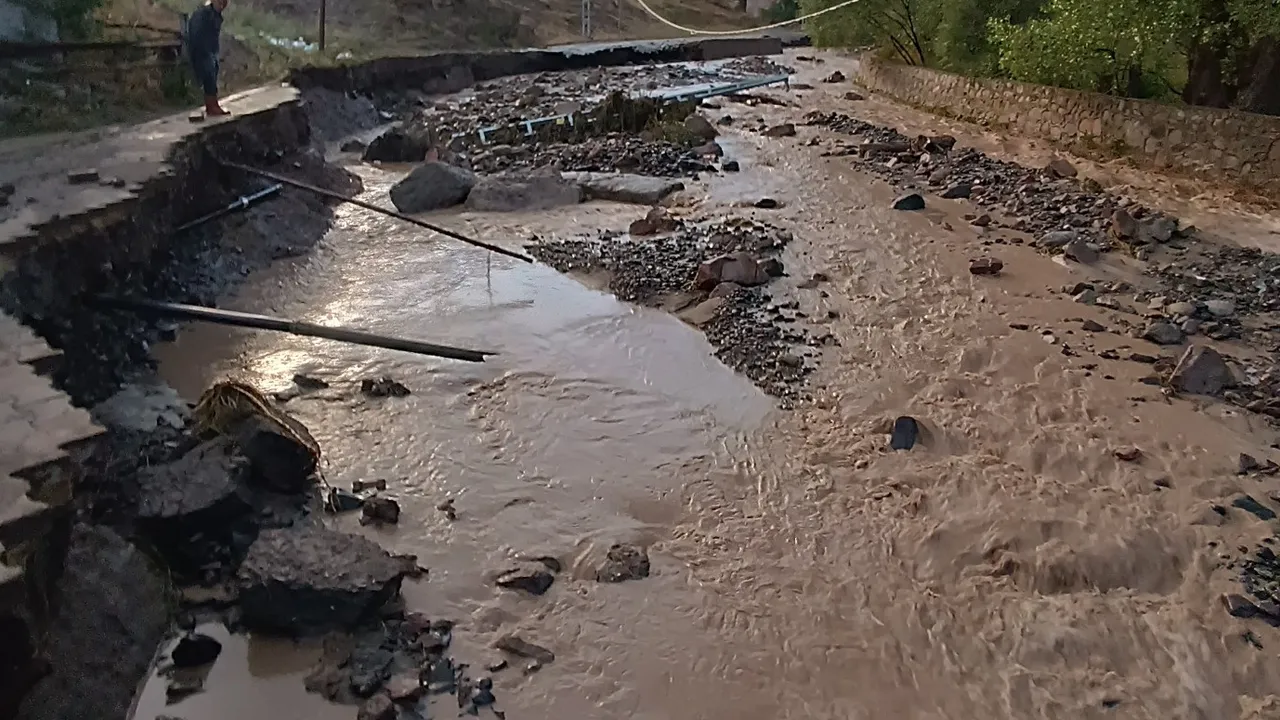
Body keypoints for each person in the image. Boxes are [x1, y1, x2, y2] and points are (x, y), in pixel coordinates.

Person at [186, 0, 229, 117]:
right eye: (220, 2)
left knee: (213, 73)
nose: (223, 5)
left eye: (224, 2)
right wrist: (204, 50)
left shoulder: (215, 15)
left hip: (210, 50)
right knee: (209, 74)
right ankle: (211, 106)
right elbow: (196, 33)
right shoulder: (203, 14)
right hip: (202, 50)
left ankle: (213, 105)